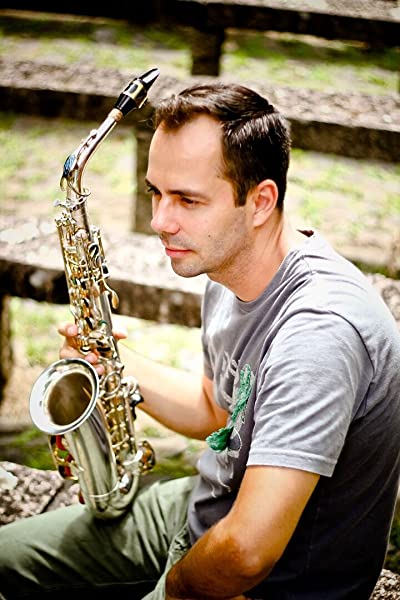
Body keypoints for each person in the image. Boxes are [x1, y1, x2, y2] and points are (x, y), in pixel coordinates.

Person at [1, 81, 400, 600]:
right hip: (202, 508)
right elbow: (217, 407)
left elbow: (246, 552)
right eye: (156, 192)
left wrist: (171, 588)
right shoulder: (229, 265)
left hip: (267, 584)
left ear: (260, 201)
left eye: (187, 200)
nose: (160, 222)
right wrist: (109, 362)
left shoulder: (320, 334)